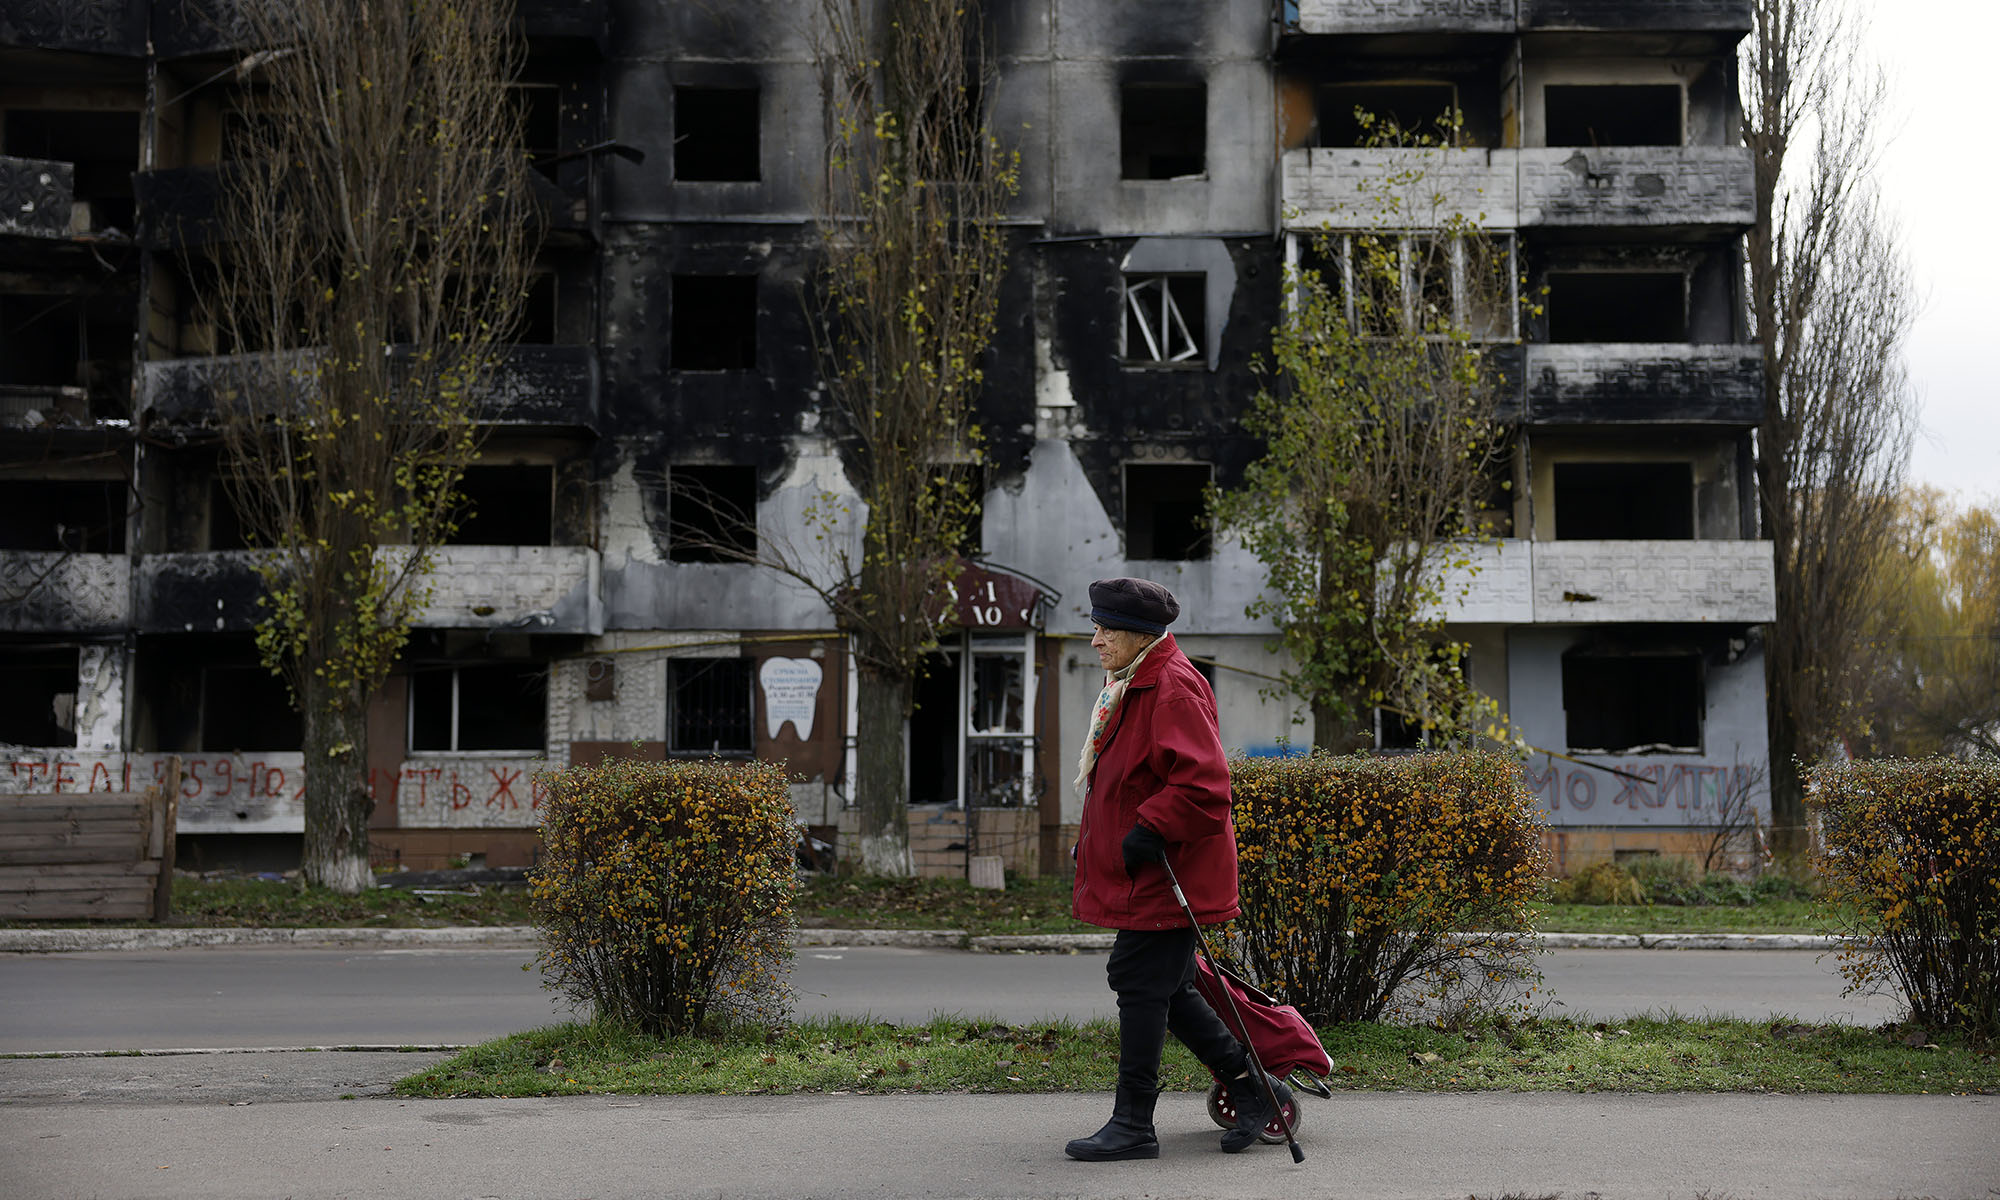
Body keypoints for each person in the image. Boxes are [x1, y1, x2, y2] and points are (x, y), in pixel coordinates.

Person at [1064, 576, 1291, 1162]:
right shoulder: (1131, 683)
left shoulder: (1169, 686)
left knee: (1139, 980)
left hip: (1172, 871)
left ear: (1138, 634)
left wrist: (1149, 829)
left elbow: (1205, 787)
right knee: (1164, 983)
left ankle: (1134, 1124)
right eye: (1096, 626)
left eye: (1104, 629)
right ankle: (1251, 1087)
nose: (1095, 641)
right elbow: (1127, 783)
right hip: (1150, 869)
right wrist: (1098, 842)